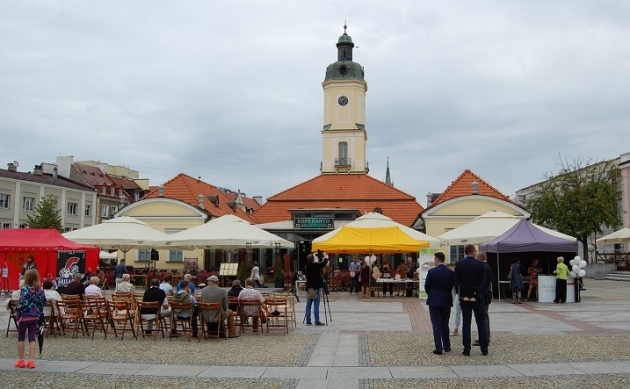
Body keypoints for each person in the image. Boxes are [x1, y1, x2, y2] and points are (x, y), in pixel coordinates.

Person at [454, 244, 488, 356]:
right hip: (478, 298)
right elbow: (484, 282)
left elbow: (457, 282)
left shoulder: (459, 265)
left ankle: (466, 349)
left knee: (466, 323)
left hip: (465, 298)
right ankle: (484, 348)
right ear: (473, 251)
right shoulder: (480, 265)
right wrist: (477, 294)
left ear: (465, 252)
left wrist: (463, 295)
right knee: (481, 323)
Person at [15, 269, 46, 369]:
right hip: (35, 316)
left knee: (21, 337)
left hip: (25, 316)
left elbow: (21, 302)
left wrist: (18, 312)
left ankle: (21, 360)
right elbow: (43, 303)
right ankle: (31, 360)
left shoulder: (25, 289)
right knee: (32, 337)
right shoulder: (40, 290)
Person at [425, 252, 454, 355]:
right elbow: (451, 286)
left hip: (434, 300)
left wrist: (432, 294)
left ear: (437, 260)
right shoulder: (450, 272)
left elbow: (427, 285)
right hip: (446, 299)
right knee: (445, 323)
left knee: (436, 324)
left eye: (434, 259)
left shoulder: (432, 272)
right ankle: (447, 346)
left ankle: (438, 347)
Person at [474, 251, 492, 347]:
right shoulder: (487, 266)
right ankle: (485, 337)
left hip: (483, 296)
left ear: (480, 258)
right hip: (486, 295)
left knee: (483, 317)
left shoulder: (484, 267)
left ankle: (484, 338)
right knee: (485, 316)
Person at [304, 253, 328, 326]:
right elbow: (323, 263)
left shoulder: (306, 267)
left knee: (308, 305)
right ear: (313, 259)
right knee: (316, 305)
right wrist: (325, 257)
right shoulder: (316, 266)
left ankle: (308, 320)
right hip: (316, 287)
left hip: (309, 288)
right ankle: (317, 320)